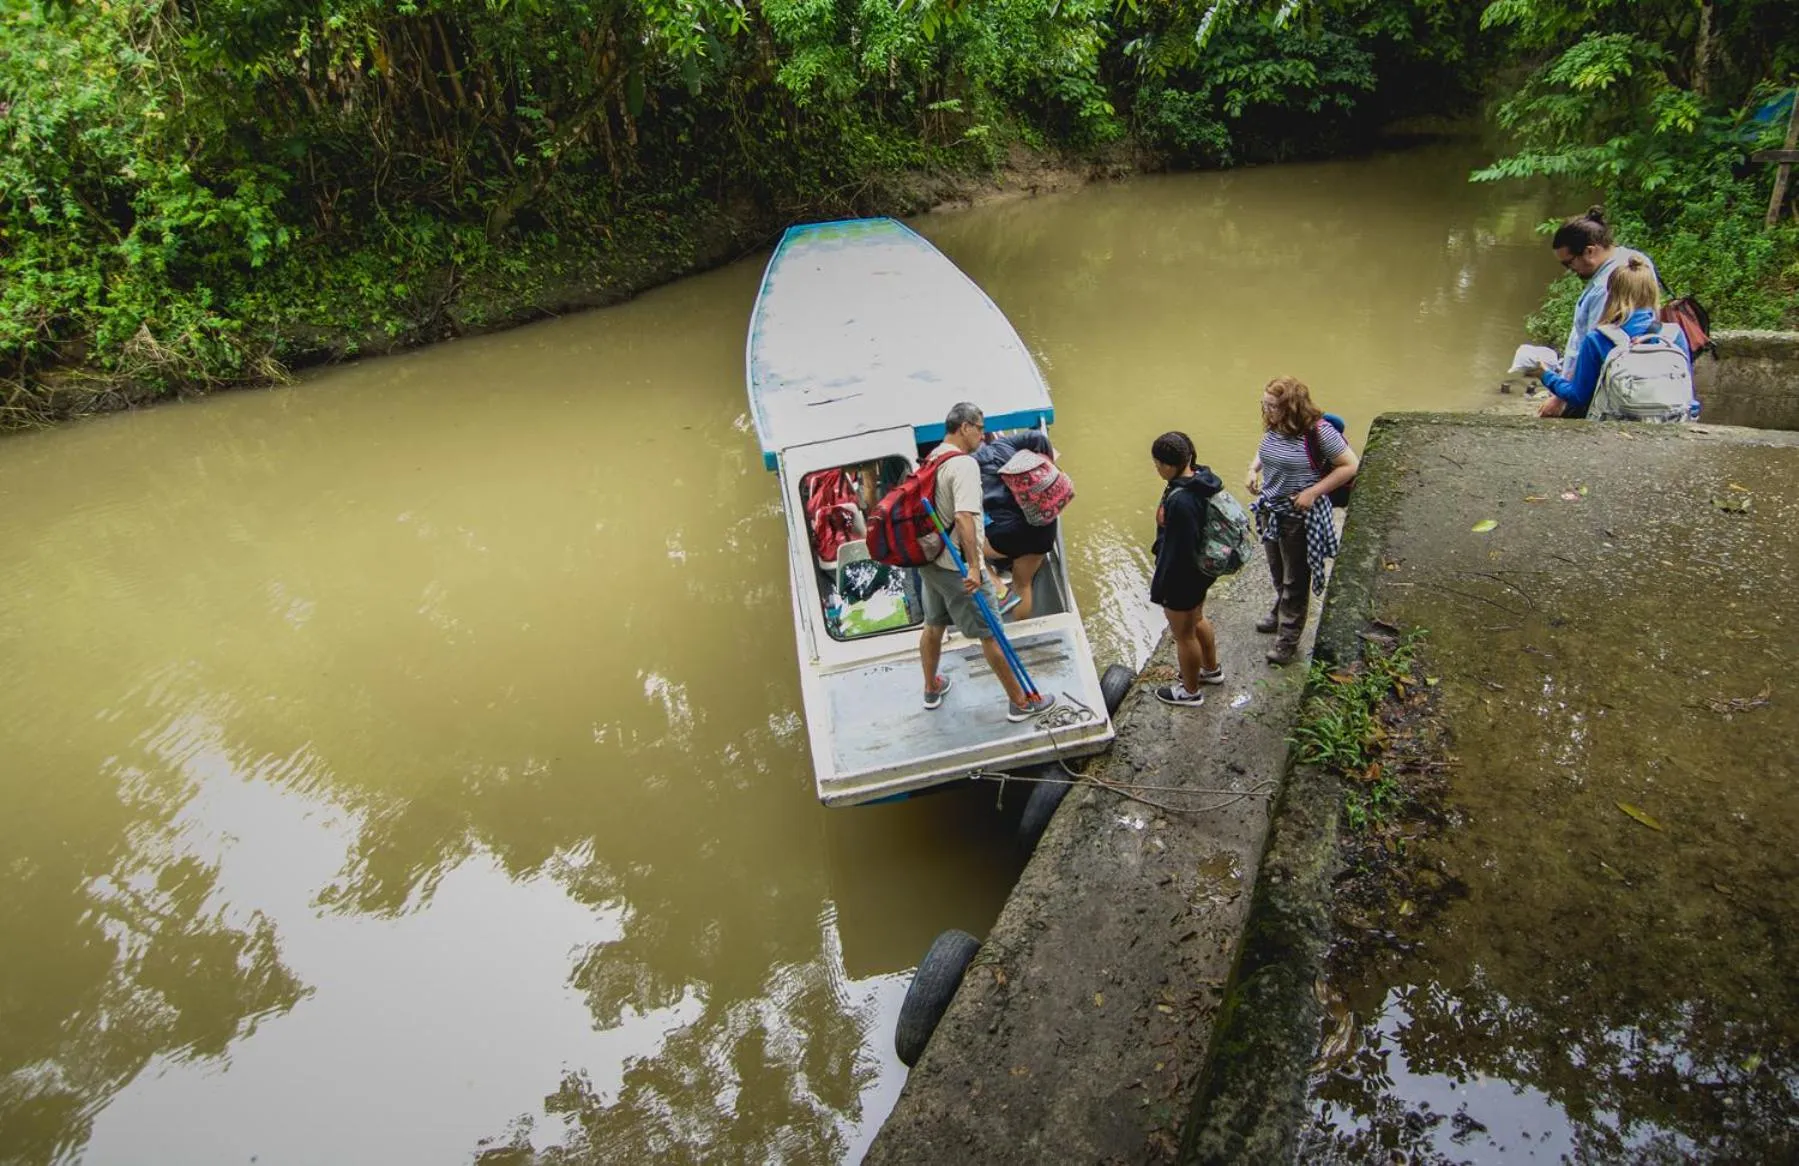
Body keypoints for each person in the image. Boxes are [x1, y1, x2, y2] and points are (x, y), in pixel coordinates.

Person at [918, 402, 1057, 721]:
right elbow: (965, 518)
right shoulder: (963, 465)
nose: (983, 434)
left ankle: (931, 687)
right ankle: (1021, 703)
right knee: (991, 634)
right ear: (964, 427)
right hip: (957, 567)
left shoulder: (934, 456)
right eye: (979, 427)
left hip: (931, 561)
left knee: (934, 624)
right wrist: (974, 567)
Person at [1245, 376, 1358, 666]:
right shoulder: (1275, 424)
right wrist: (1253, 469)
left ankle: (1288, 639)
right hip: (1272, 509)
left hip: (1299, 514)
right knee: (1276, 569)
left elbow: (1350, 465)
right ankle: (1279, 610)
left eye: (1272, 405)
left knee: (1296, 578)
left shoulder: (1319, 432)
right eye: (1264, 403)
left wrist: (1312, 492)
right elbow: (1266, 447)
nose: (1266, 410)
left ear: (1291, 406)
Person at [1538, 255, 1693, 420]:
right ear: (1653, 292)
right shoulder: (1673, 335)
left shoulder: (1598, 338)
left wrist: (1546, 376)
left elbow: (1579, 396)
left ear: (1612, 294)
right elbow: (1688, 393)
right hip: (1666, 424)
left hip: (1614, 425)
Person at [1148, 431, 1225, 707]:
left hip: (1183, 576)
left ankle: (1190, 692)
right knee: (1198, 618)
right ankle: (1211, 669)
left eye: (1157, 464)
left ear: (1169, 465)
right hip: (1201, 572)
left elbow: (1179, 551)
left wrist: (1163, 584)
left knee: (1184, 635)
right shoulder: (1201, 477)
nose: (1156, 469)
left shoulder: (1181, 501)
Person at [1544, 206, 1659, 377]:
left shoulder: (1605, 287)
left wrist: (1560, 395)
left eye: (1568, 263)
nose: (1569, 270)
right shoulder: (1635, 259)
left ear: (1590, 251)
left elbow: (1592, 353)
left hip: (1601, 381)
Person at [975, 428, 1057, 620]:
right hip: (1044, 527)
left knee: (961, 548)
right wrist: (1048, 466)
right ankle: (1021, 631)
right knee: (1023, 584)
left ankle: (1000, 590)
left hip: (1009, 535)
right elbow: (1038, 437)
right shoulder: (1005, 444)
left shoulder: (967, 466)